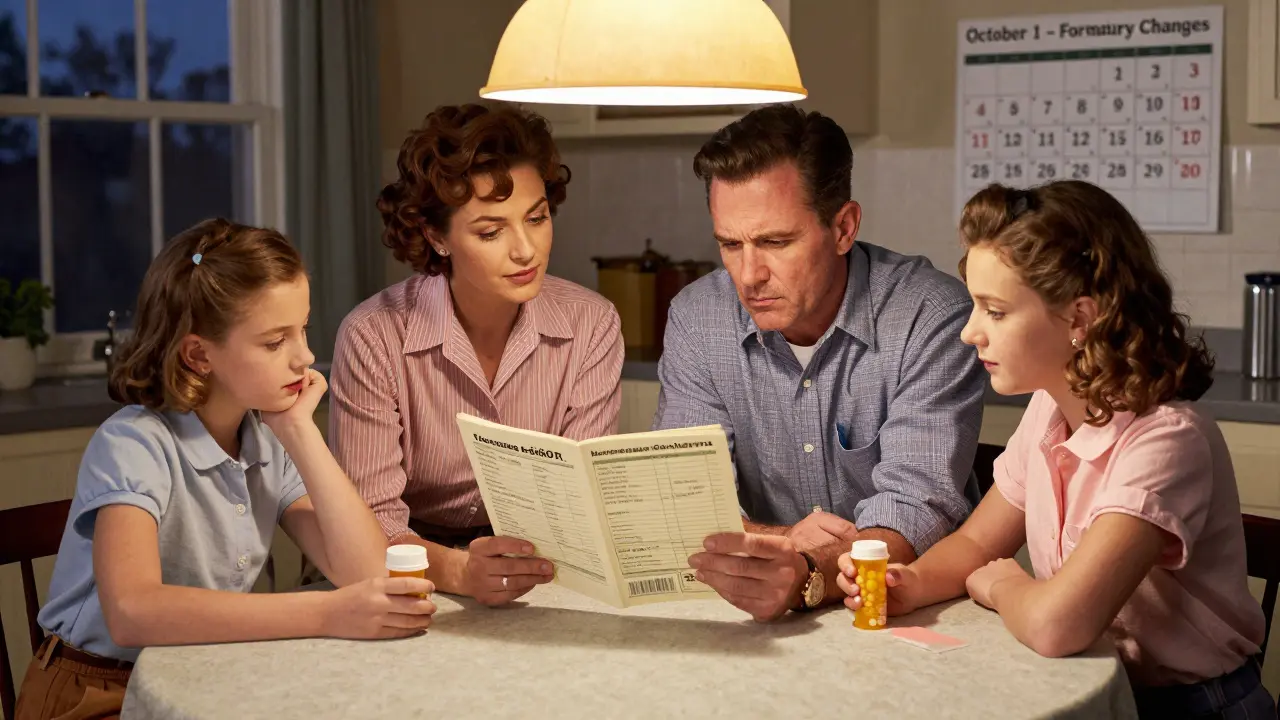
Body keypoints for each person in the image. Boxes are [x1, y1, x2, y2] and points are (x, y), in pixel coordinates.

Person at [839, 180, 1273, 718]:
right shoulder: (1050, 411)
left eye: (994, 311)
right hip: (1091, 688)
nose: (969, 332)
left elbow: (1055, 624)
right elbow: (977, 543)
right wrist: (912, 584)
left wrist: (1003, 586)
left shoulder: (1165, 440)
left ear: (1080, 319)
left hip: (1194, 707)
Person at [15, 219, 435, 720]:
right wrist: (323, 612)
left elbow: (364, 571)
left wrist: (302, 433)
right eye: (275, 341)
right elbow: (132, 614)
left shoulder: (267, 439)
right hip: (94, 692)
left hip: (204, 669)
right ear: (199, 354)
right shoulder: (134, 444)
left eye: (302, 329)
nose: (306, 357)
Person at [656, 103, 986, 622]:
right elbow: (683, 497)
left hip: (903, 612)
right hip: (759, 609)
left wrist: (806, 572)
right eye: (729, 244)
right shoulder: (698, 318)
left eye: (775, 242)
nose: (748, 275)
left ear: (843, 227)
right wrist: (788, 544)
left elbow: (914, 509)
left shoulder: (931, 315)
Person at [329, 103, 624, 607]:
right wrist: (458, 569)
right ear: (435, 236)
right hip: (405, 568)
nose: (526, 250)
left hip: (542, 569)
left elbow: (579, 503)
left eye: (537, 218)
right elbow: (369, 521)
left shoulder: (591, 324)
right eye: (491, 232)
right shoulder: (373, 335)